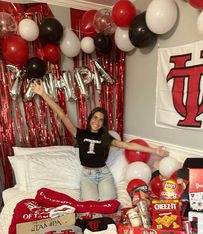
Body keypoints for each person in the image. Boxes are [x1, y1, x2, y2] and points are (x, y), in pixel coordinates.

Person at [31, 80, 169, 201]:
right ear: (90, 118)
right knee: (90, 204)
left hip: (103, 174)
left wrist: (154, 150)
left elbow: (128, 145)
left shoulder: (105, 138)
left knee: (108, 203)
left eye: (101, 120)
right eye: (95, 117)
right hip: (87, 175)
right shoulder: (79, 133)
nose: (97, 121)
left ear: (103, 123)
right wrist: (43, 94)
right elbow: (62, 114)